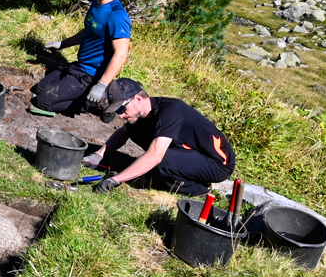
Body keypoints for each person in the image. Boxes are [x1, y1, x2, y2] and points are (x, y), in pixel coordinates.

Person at [84, 79, 236, 197]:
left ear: (137, 98)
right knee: (132, 128)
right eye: (118, 111)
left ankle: (199, 189)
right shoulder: (146, 112)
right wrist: (99, 155)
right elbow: (123, 132)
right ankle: (166, 170)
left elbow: (156, 156)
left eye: (122, 109)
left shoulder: (170, 112)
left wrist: (116, 180)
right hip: (188, 152)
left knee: (162, 159)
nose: (121, 115)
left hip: (217, 164)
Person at [29, 0, 131, 115]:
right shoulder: (96, 3)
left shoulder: (117, 15)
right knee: (39, 89)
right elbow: (89, 31)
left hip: (90, 76)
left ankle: (95, 104)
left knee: (42, 101)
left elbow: (121, 54)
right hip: (78, 67)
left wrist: (101, 85)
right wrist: (62, 44)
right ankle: (84, 95)